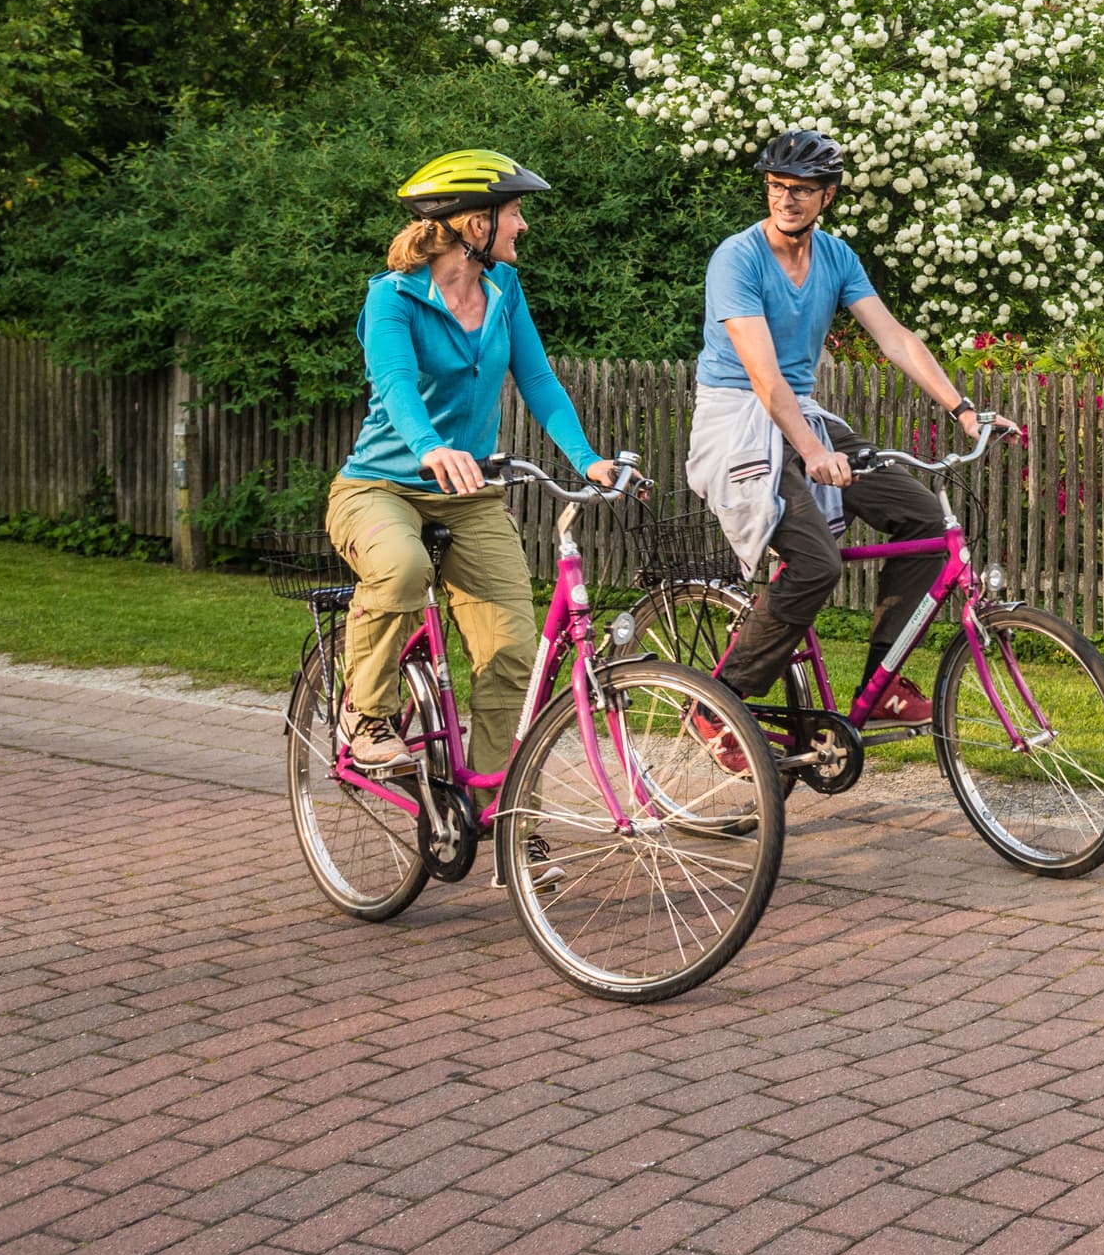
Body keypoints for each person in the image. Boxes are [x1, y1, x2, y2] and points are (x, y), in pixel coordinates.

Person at [325, 151, 625, 776]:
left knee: (515, 655)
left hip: (471, 495)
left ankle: (501, 812)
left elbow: (537, 379)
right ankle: (365, 713)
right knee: (403, 569)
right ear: (471, 223)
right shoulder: (393, 298)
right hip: (379, 488)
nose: (522, 225)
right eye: (513, 212)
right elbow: (398, 386)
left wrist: (588, 459)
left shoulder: (503, 289)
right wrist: (431, 447)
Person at [683, 129, 986, 748]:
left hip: (803, 417)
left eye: (801, 190)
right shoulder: (737, 258)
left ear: (828, 196)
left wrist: (961, 406)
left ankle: (881, 686)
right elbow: (763, 375)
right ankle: (722, 703)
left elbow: (894, 337)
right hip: (739, 418)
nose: (786, 200)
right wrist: (814, 452)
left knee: (927, 523)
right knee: (816, 564)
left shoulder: (837, 258)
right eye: (776, 187)